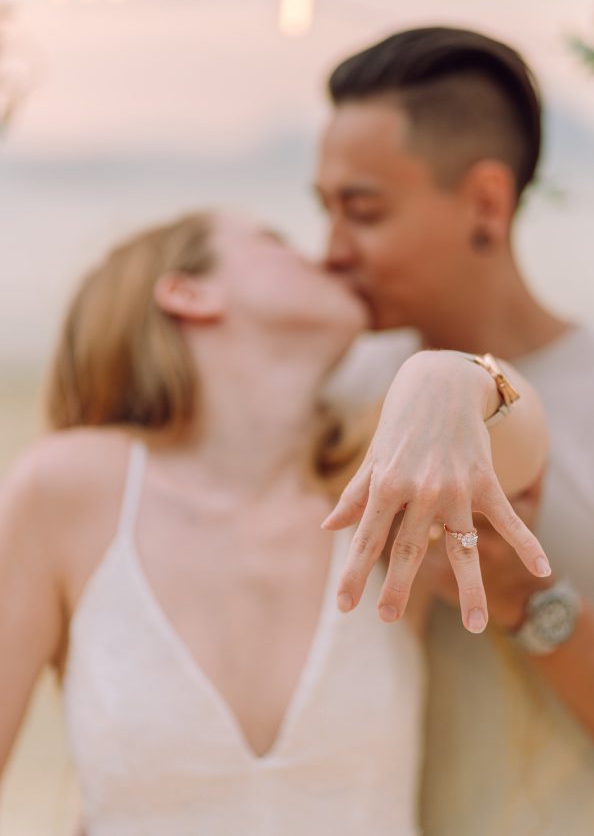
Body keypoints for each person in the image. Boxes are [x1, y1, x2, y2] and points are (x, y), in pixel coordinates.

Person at [0, 209, 547, 836]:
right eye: (275, 241)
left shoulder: (383, 486)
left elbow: (526, 455)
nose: (327, 254)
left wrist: (456, 378)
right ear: (189, 292)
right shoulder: (67, 491)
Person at [315, 26, 594, 836]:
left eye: (362, 211)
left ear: (485, 201)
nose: (331, 250)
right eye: (324, 210)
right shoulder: (333, 394)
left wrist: (528, 601)